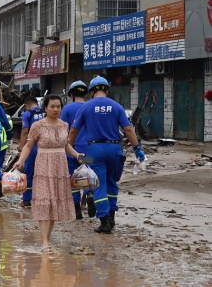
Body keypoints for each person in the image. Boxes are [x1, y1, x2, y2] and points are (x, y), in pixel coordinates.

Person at [69, 76, 145, 234]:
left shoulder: (86, 107)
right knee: (112, 183)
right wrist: (137, 148)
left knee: (98, 184)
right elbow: (128, 130)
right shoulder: (117, 106)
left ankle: (104, 222)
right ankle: (112, 217)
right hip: (114, 149)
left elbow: (74, 130)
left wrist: (68, 146)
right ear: (106, 90)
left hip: (95, 150)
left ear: (91, 92)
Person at [14, 95, 81, 253]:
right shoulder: (38, 125)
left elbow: (66, 146)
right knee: (44, 203)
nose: (56, 109)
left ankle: (47, 240)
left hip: (60, 168)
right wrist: (21, 160)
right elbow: (28, 146)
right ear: (45, 108)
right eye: (52, 106)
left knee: (53, 204)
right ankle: (44, 242)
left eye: (58, 106)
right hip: (44, 166)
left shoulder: (64, 125)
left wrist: (78, 156)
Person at [60, 80, 89, 220]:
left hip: (72, 150)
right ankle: (89, 196)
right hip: (89, 151)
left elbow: (63, 129)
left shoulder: (67, 109)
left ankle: (77, 210)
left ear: (71, 94)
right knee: (88, 175)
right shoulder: (90, 107)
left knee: (73, 177)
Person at [19, 96, 44, 208]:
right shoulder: (46, 111)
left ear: (26, 105)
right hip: (46, 147)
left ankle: (26, 200)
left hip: (33, 146)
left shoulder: (27, 114)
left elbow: (25, 131)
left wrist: (21, 148)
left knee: (29, 173)